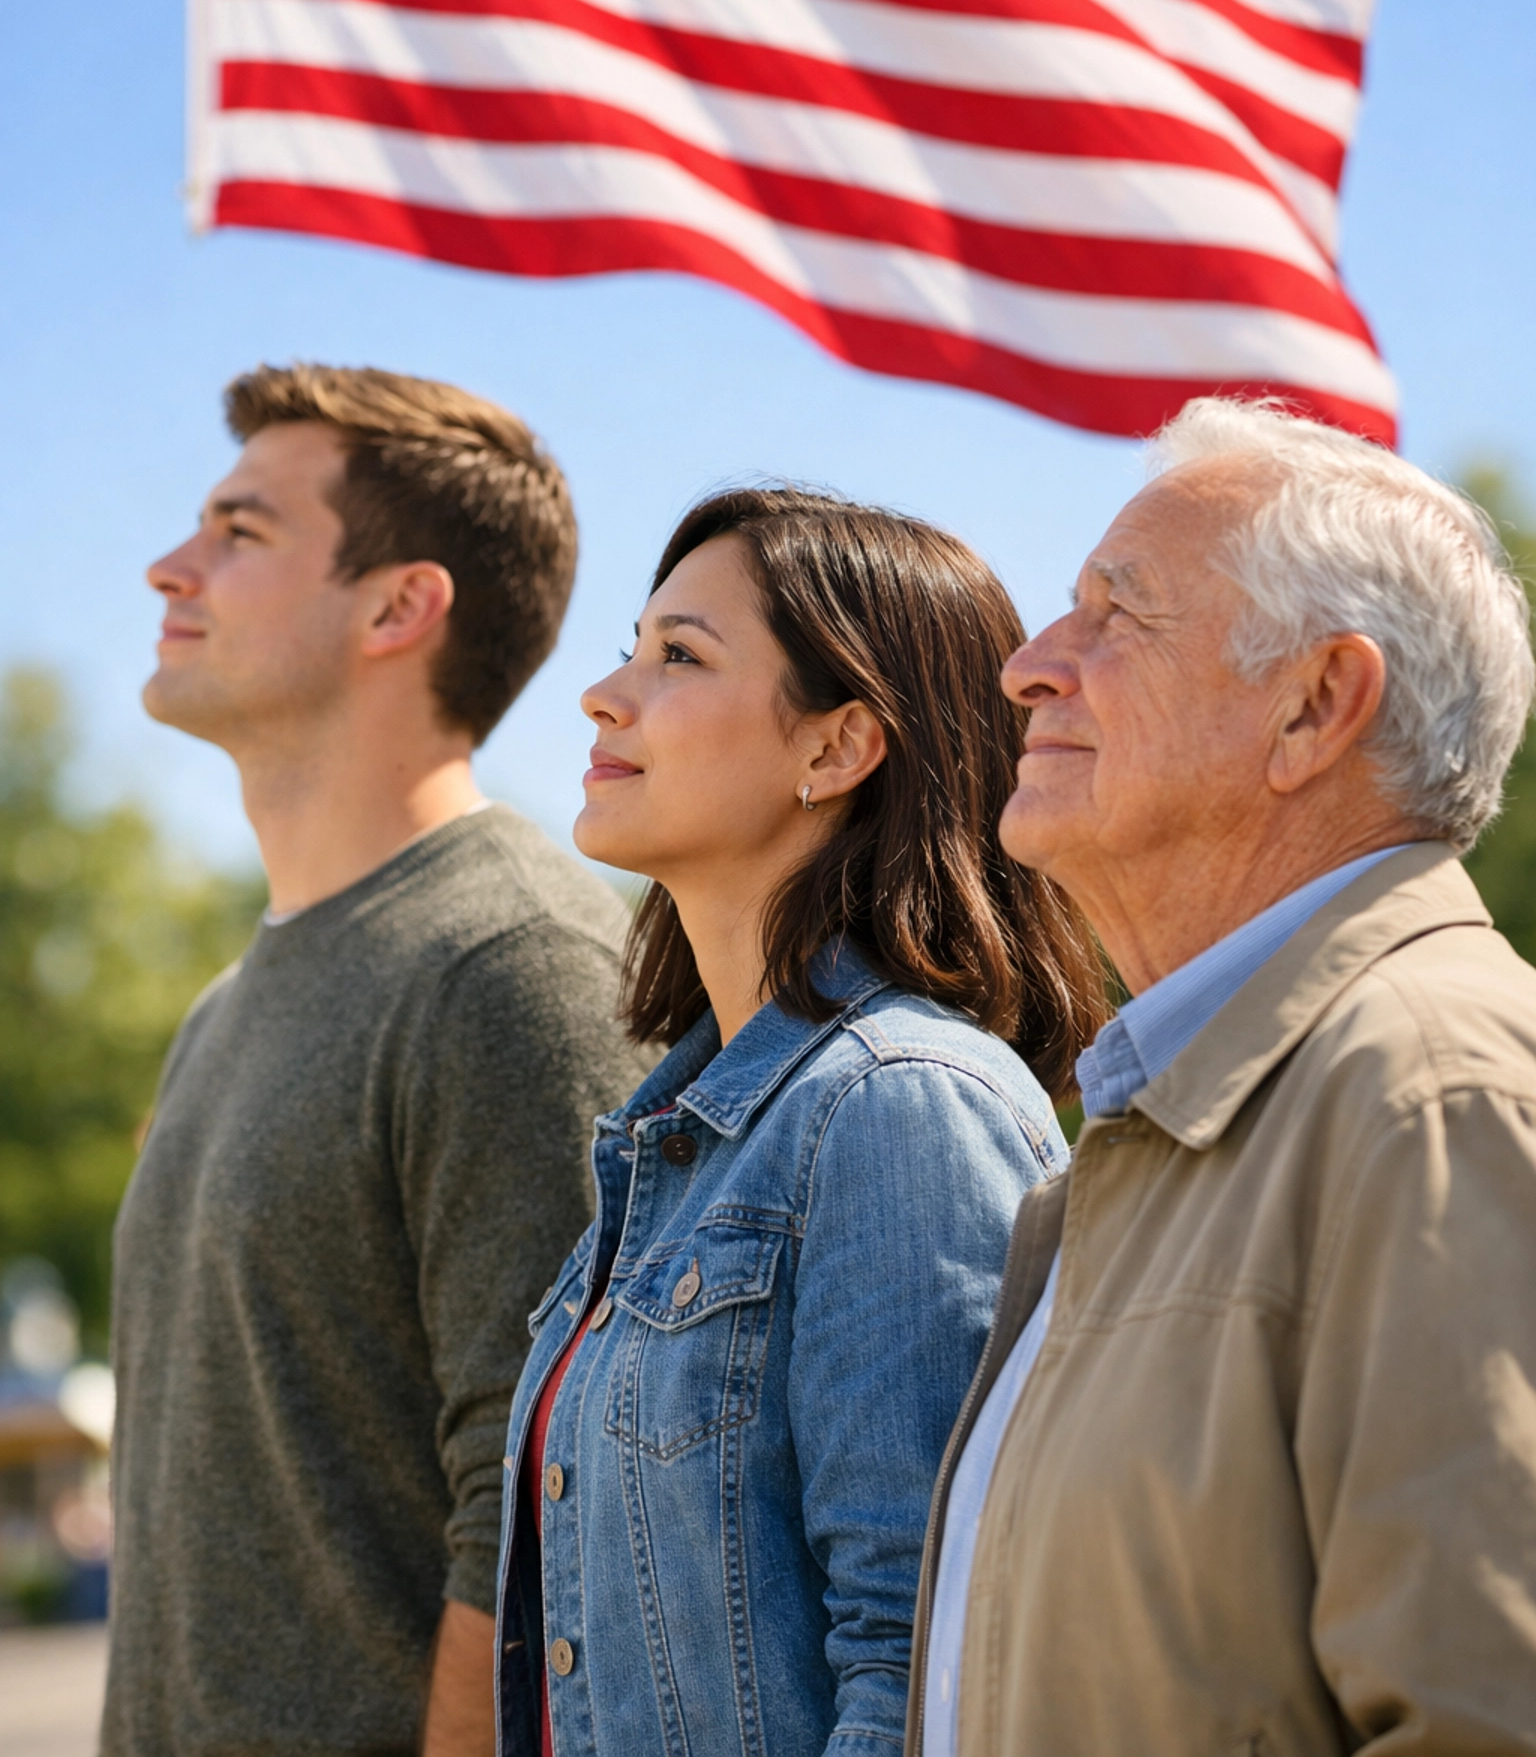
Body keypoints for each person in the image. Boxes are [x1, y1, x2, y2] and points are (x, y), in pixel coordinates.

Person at [907, 396, 1536, 1757]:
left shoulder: (1432, 1092)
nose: (1026, 665)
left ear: (1315, 705)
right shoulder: (1173, 1117)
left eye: (1115, 617)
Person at [492, 485, 1107, 1757]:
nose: (605, 694)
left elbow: (928, 1659)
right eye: (632, 646)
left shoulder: (897, 1109)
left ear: (836, 749)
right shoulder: (674, 1148)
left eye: (679, 656)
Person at [104, 365, 649, 1757]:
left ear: (400, 607)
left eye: (241, 529)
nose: (173, 564)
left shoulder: (511, 965)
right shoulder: (226, 1005)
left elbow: (540, 1511)